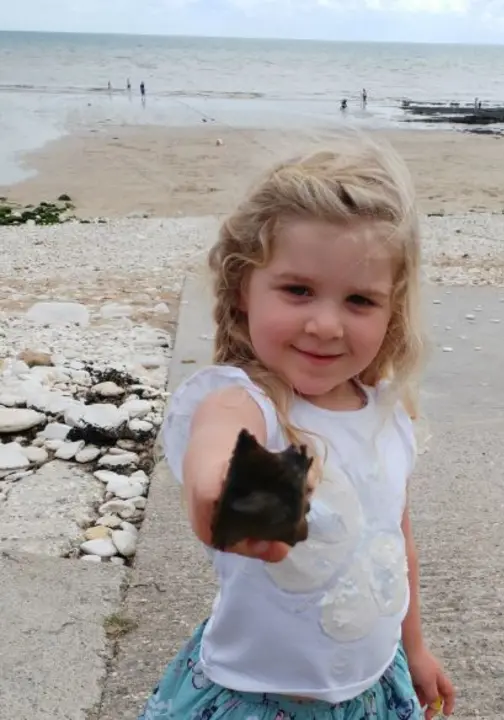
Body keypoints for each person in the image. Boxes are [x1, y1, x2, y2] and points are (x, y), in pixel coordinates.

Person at [140, 137, 456, 720]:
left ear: (393, 313)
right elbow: (217, 453)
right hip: (257, 695)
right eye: (298, 290)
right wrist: (232, 491)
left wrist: (414, 649)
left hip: (372, 688)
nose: (326, 325)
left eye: (360, 300)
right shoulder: (243, 400)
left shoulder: (387, 413)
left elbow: (395, 539)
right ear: (243, 290)